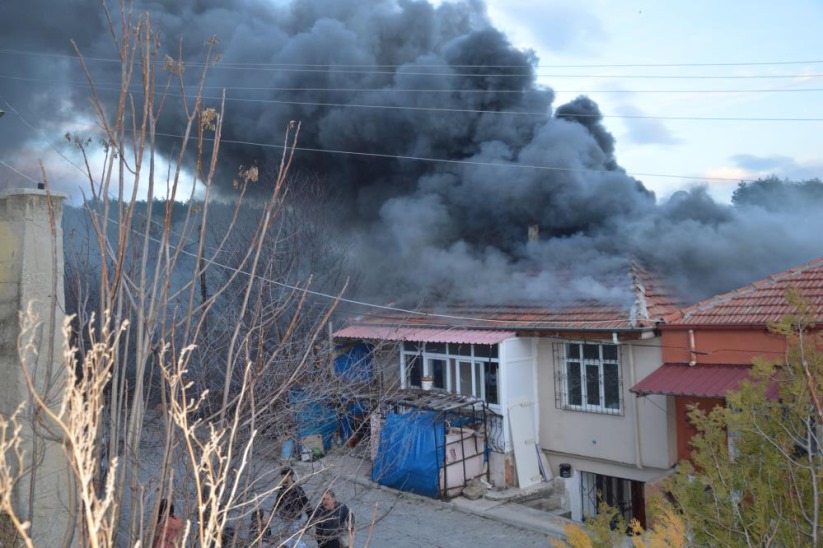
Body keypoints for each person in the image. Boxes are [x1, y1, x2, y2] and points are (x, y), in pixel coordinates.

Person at [272, 467, 310, 547]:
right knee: (286, 543)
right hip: (284, 520)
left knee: (297, 542)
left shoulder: (298, 490)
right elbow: (277, 503)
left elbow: (306, 505)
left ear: (290, 476)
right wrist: (272, 514)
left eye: (284, 477)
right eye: (282, 477)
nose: (282, 479)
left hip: (294, 521)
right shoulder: (282, 490)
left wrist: (308, 520)